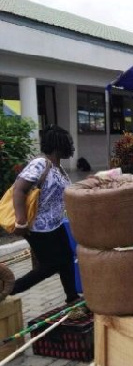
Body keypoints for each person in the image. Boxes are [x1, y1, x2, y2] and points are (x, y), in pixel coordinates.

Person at [10, 125, 79, 303]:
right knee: (50, 265)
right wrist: (21, 221)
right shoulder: (40, 163)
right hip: (38, 226)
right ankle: (9, 288)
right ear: (58, 145)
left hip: (55, 224)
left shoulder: (60, 169)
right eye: (68, 143)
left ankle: (72, 298)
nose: (71, 147)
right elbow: (19, 190)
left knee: (66, 258)